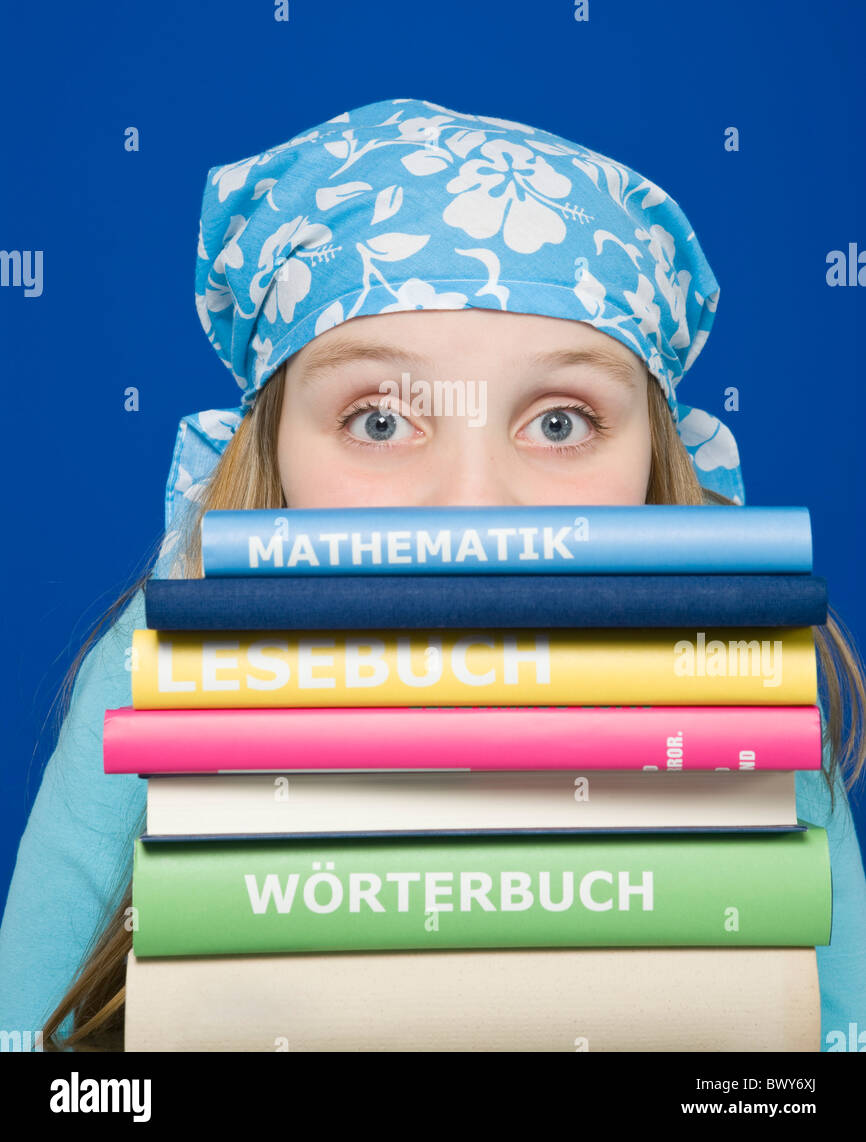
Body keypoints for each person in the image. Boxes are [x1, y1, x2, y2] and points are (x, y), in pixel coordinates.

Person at [1, 97, 864, 1052]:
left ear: (656, 470)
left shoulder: (736, 688)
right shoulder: (157, 670)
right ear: (273, 461)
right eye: (379, 420)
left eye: (560, 422)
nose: (473, 504)